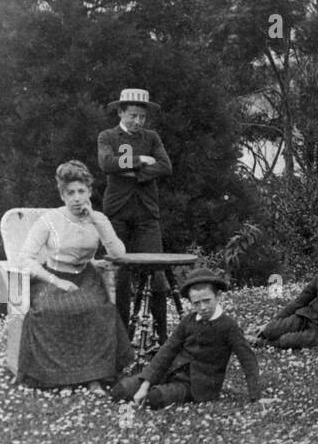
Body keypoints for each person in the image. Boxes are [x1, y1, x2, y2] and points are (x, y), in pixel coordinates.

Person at [15, 160, 133, 389]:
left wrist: (98, 221)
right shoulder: (49, 220)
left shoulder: (98, 219)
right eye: (71, 193)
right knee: (51, 311)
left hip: (86, 277)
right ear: (63, 196)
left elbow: (118, 254)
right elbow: (25, 257)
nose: (77, 198)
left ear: (89, 191)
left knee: (99, 310)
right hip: (52, 277)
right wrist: (56, 280)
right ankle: (61, 379)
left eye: (81, 191)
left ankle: (93, 378)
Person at [110, 268, 261, 409]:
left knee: (154, 399)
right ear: (190, 302)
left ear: (217, 297)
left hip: (197, 386)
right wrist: (145, 385)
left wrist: (256, 397)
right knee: (120, 391)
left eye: (207, 300)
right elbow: (166, 351)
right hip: (171, 373)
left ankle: (156, 394)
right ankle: (148, 389)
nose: (202, 307)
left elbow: (248, 360)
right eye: (196, 303)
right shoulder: (188, 321)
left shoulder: (229, 326)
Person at [97, 87, 172, 340]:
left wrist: (131, 171)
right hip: (117, 215)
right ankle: (121, 340)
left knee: (158, 277)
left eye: (142, 116)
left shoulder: (152, 138)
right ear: (120, 112)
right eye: (133, 116)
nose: (138, 121)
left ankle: (162, 339)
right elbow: (107, 163)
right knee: (121, 278)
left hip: (147, 216)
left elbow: (165, 166)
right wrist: (141, 160)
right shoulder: (107, 136)